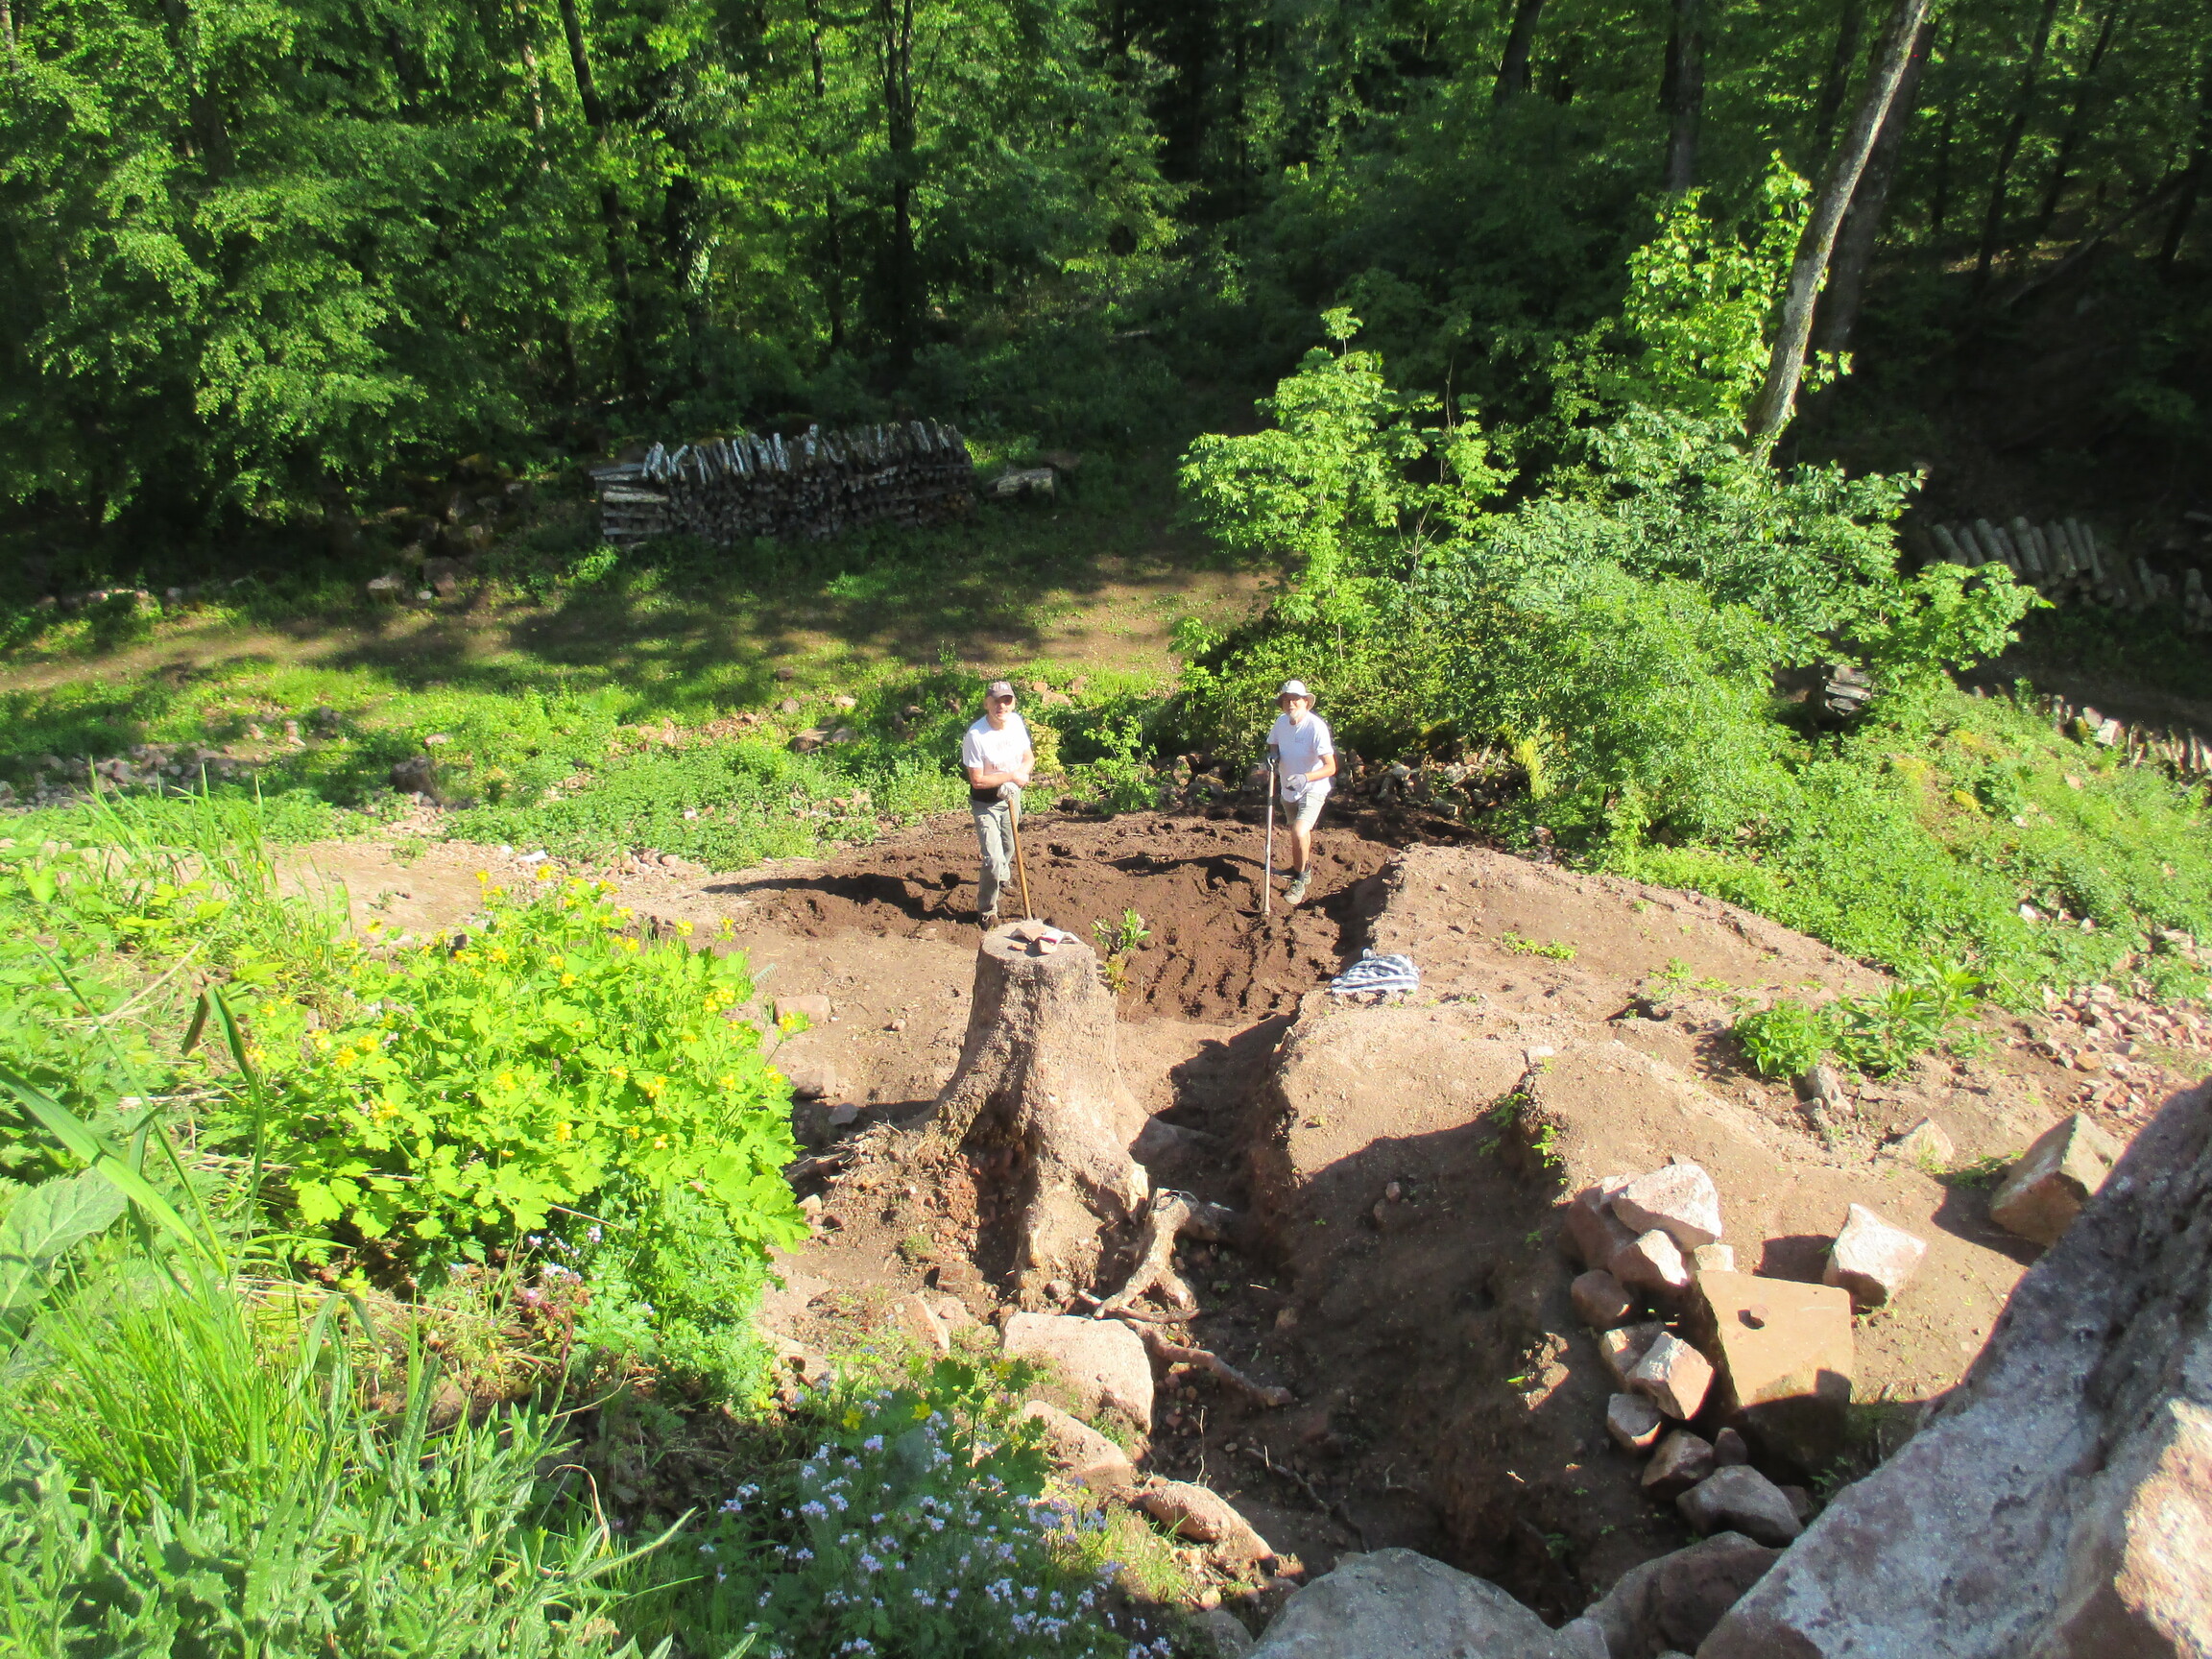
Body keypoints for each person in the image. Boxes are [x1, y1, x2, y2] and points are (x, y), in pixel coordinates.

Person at [961, 679, 1034, 925]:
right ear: (986, 703)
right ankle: (987, 911)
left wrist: (1020, 775)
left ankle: (1003, 877)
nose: (1001, 706)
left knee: (1009, 846)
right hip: (986, 803)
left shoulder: (1016, 723)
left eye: (1006, 700)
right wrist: (1011, 776)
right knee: (993, 859)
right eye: (996, 701)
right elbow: (977, 781)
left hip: (1011, 795)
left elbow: (1028, 758)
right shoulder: (976, 735)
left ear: (1013, 703)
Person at [1266, 679, 1336, 906]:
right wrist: (1273, 755)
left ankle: (1301, 878)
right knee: (1296, 833)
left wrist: (1305, 778)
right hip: (1288, 789)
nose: (1290, 704)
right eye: (1286, 700)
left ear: (1305, 702)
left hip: (1313, 788)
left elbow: (1331, 767)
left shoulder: (1315, 727)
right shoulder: (1280, 722)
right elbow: (1274, 743)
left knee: (1299, 830)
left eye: (1295, 699)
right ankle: (1298, 868)